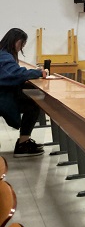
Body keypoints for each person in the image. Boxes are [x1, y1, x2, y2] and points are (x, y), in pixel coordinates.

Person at [0, 28, 47, 157]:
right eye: (22, 44)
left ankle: (23, 142)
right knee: (32, 105)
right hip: (2, 98)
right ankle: (23, 144)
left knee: (30, 101)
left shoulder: (3, 53)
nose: (21, 48)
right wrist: (38, 73)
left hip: (3, 94)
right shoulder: (4, 55)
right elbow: (15, 74)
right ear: (17, 41)